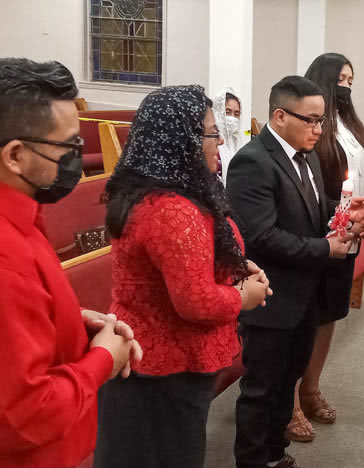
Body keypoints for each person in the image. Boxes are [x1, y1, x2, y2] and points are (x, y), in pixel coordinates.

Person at [94, 85, 271, 468]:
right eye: (211, 133)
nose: (218, 141)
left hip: (165, 365)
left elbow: (191, 257)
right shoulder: (170, 208)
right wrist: (243, 296)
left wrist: (234, 266)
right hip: (159, 371)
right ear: (180, 141)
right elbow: (196, 302)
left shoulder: (172, 190)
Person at [0, 58, 138, 467]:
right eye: (68, 147)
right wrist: (102, 360)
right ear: (15, 155)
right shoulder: (6, 256)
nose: (77, 158)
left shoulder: (21, 216)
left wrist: (66, 322)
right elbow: (25, 417)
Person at [228, 76, 364, 468]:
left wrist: (347, 219)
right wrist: (325, 249)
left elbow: (314, 214)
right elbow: (261, 236)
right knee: (261, 389)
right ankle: (252, 461)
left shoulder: (308, 156)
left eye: (322, 120)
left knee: (288, 380)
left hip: (305, 294)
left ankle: (274, 452)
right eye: (311, 120)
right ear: (280, 116)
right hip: (270, 296)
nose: (319, 129)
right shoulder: (253, 162)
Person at [284, 53, 364, 442]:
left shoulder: (351, 124)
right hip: (317, 236)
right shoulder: (311, 128)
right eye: (341, 79)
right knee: (303, 320)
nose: (346, 87)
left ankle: (311, 387)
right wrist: (336, 223)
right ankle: (290, 401)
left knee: (329, 314)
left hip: (348, 236)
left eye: (351, 81)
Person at [212, 87, 244, 185]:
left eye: (236, 113)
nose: (232, 118)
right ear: (219, 112)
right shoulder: (212, 141)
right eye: (228, 112)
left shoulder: (239, 142)